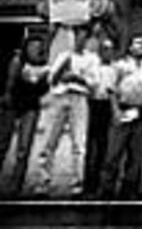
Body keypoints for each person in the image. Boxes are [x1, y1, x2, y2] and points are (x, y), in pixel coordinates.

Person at [99, 36, 142, 200]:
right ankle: (107, 189)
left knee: (138, 154)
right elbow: (112, 91)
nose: (140, 47)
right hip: (124, 110)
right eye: (136, 44)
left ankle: (130, 189)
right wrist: (115, 111)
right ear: (130, 48)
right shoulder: (120, 65)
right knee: (114, 152)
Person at [38, 24, 100, 196]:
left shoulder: (92, 59)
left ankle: (77, 184)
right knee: (49, 139)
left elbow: (94, 83)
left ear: (87, 39)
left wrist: (77, 77)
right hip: (60, 97)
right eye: (76, 35)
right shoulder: (63, 56)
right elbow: (51, 79)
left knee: (79, 143)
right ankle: (43, 181)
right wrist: (61, 71)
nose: (79, 39)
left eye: (82, 36)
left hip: (79, 98)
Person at [0, 36, 49, 196]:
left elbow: (44, 89)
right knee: (2, 143)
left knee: (24, 148)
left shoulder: (44, 66)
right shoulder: (17, 62)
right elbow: (9, 83)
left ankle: (16, 185)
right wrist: (7, 96)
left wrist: (40, 80)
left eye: (38, 47)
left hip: (30, 107)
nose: (35, 50)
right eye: (32, 47)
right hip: (13, 104)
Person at [84, 38, 117, 198]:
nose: (107, 52)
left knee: (106, 147)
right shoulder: (93, 67)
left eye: (110, 49)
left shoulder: (116, 68)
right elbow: (90, 85)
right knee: (91, 146)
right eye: (104, 49)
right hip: (93, 104)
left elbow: (115, 90)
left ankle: (103, 186)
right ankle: (89, 185)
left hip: (109, 107)